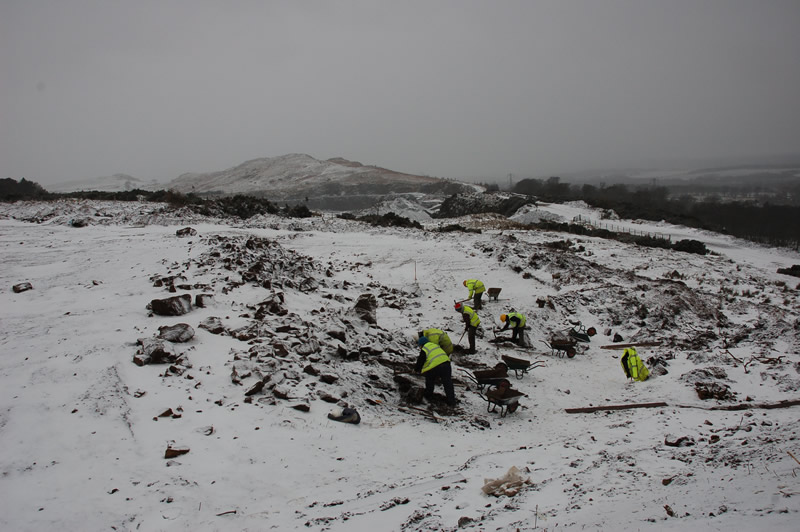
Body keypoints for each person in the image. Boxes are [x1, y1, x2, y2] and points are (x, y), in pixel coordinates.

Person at [415, 336, 456, 407]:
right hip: (446, 364)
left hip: (435, 366)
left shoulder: (425, 348)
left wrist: (416, 370)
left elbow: (420, 361)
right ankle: (451, 401)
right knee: (447, 383)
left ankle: (428, 395)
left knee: (430, 379)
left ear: (421, 345)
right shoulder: (436, 346)